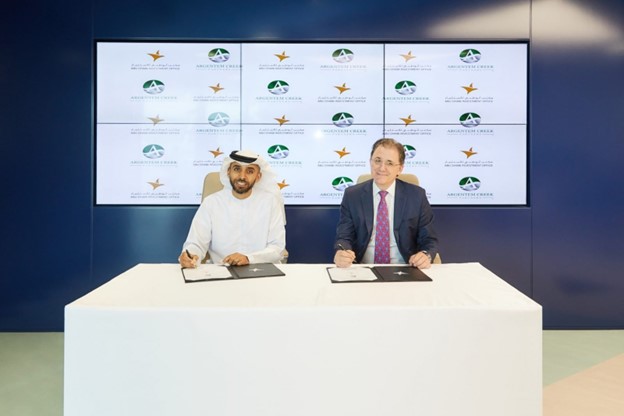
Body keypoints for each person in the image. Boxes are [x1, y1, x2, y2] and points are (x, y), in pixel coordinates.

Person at [334, 138, 438, 269]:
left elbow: (429, 240)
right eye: (377, 161)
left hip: (405, 268)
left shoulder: (417, 196)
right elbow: (344, 237)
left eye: (389, 163)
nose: (382, 168)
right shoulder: (352, 195)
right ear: (370, 162)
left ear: (400, 169)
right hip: (364, 269)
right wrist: (341, 252)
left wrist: (425, 255)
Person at [179, 150, 285, 268]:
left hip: (261, 270)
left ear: (258, 176)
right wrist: (191, 255)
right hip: (221, 271)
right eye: (237, 169)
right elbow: (196, 243)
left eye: (250, 171)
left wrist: (248, 258)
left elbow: (277, 248)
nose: (242, 176)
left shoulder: (270, 202)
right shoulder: (211, 203)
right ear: (228, 171)